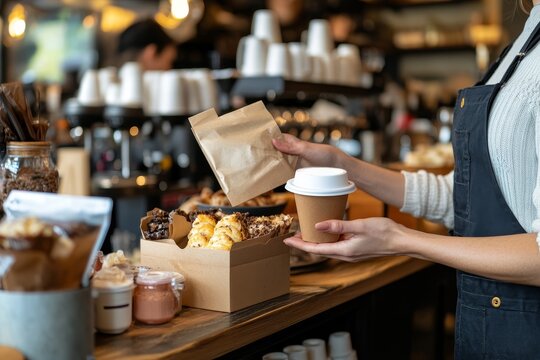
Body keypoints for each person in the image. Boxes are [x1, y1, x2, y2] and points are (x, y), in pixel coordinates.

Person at [273, 1, 540, 358]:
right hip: (490, 324)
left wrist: (400, 239)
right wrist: (343, 164)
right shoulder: (523, 44)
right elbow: (461, 197)